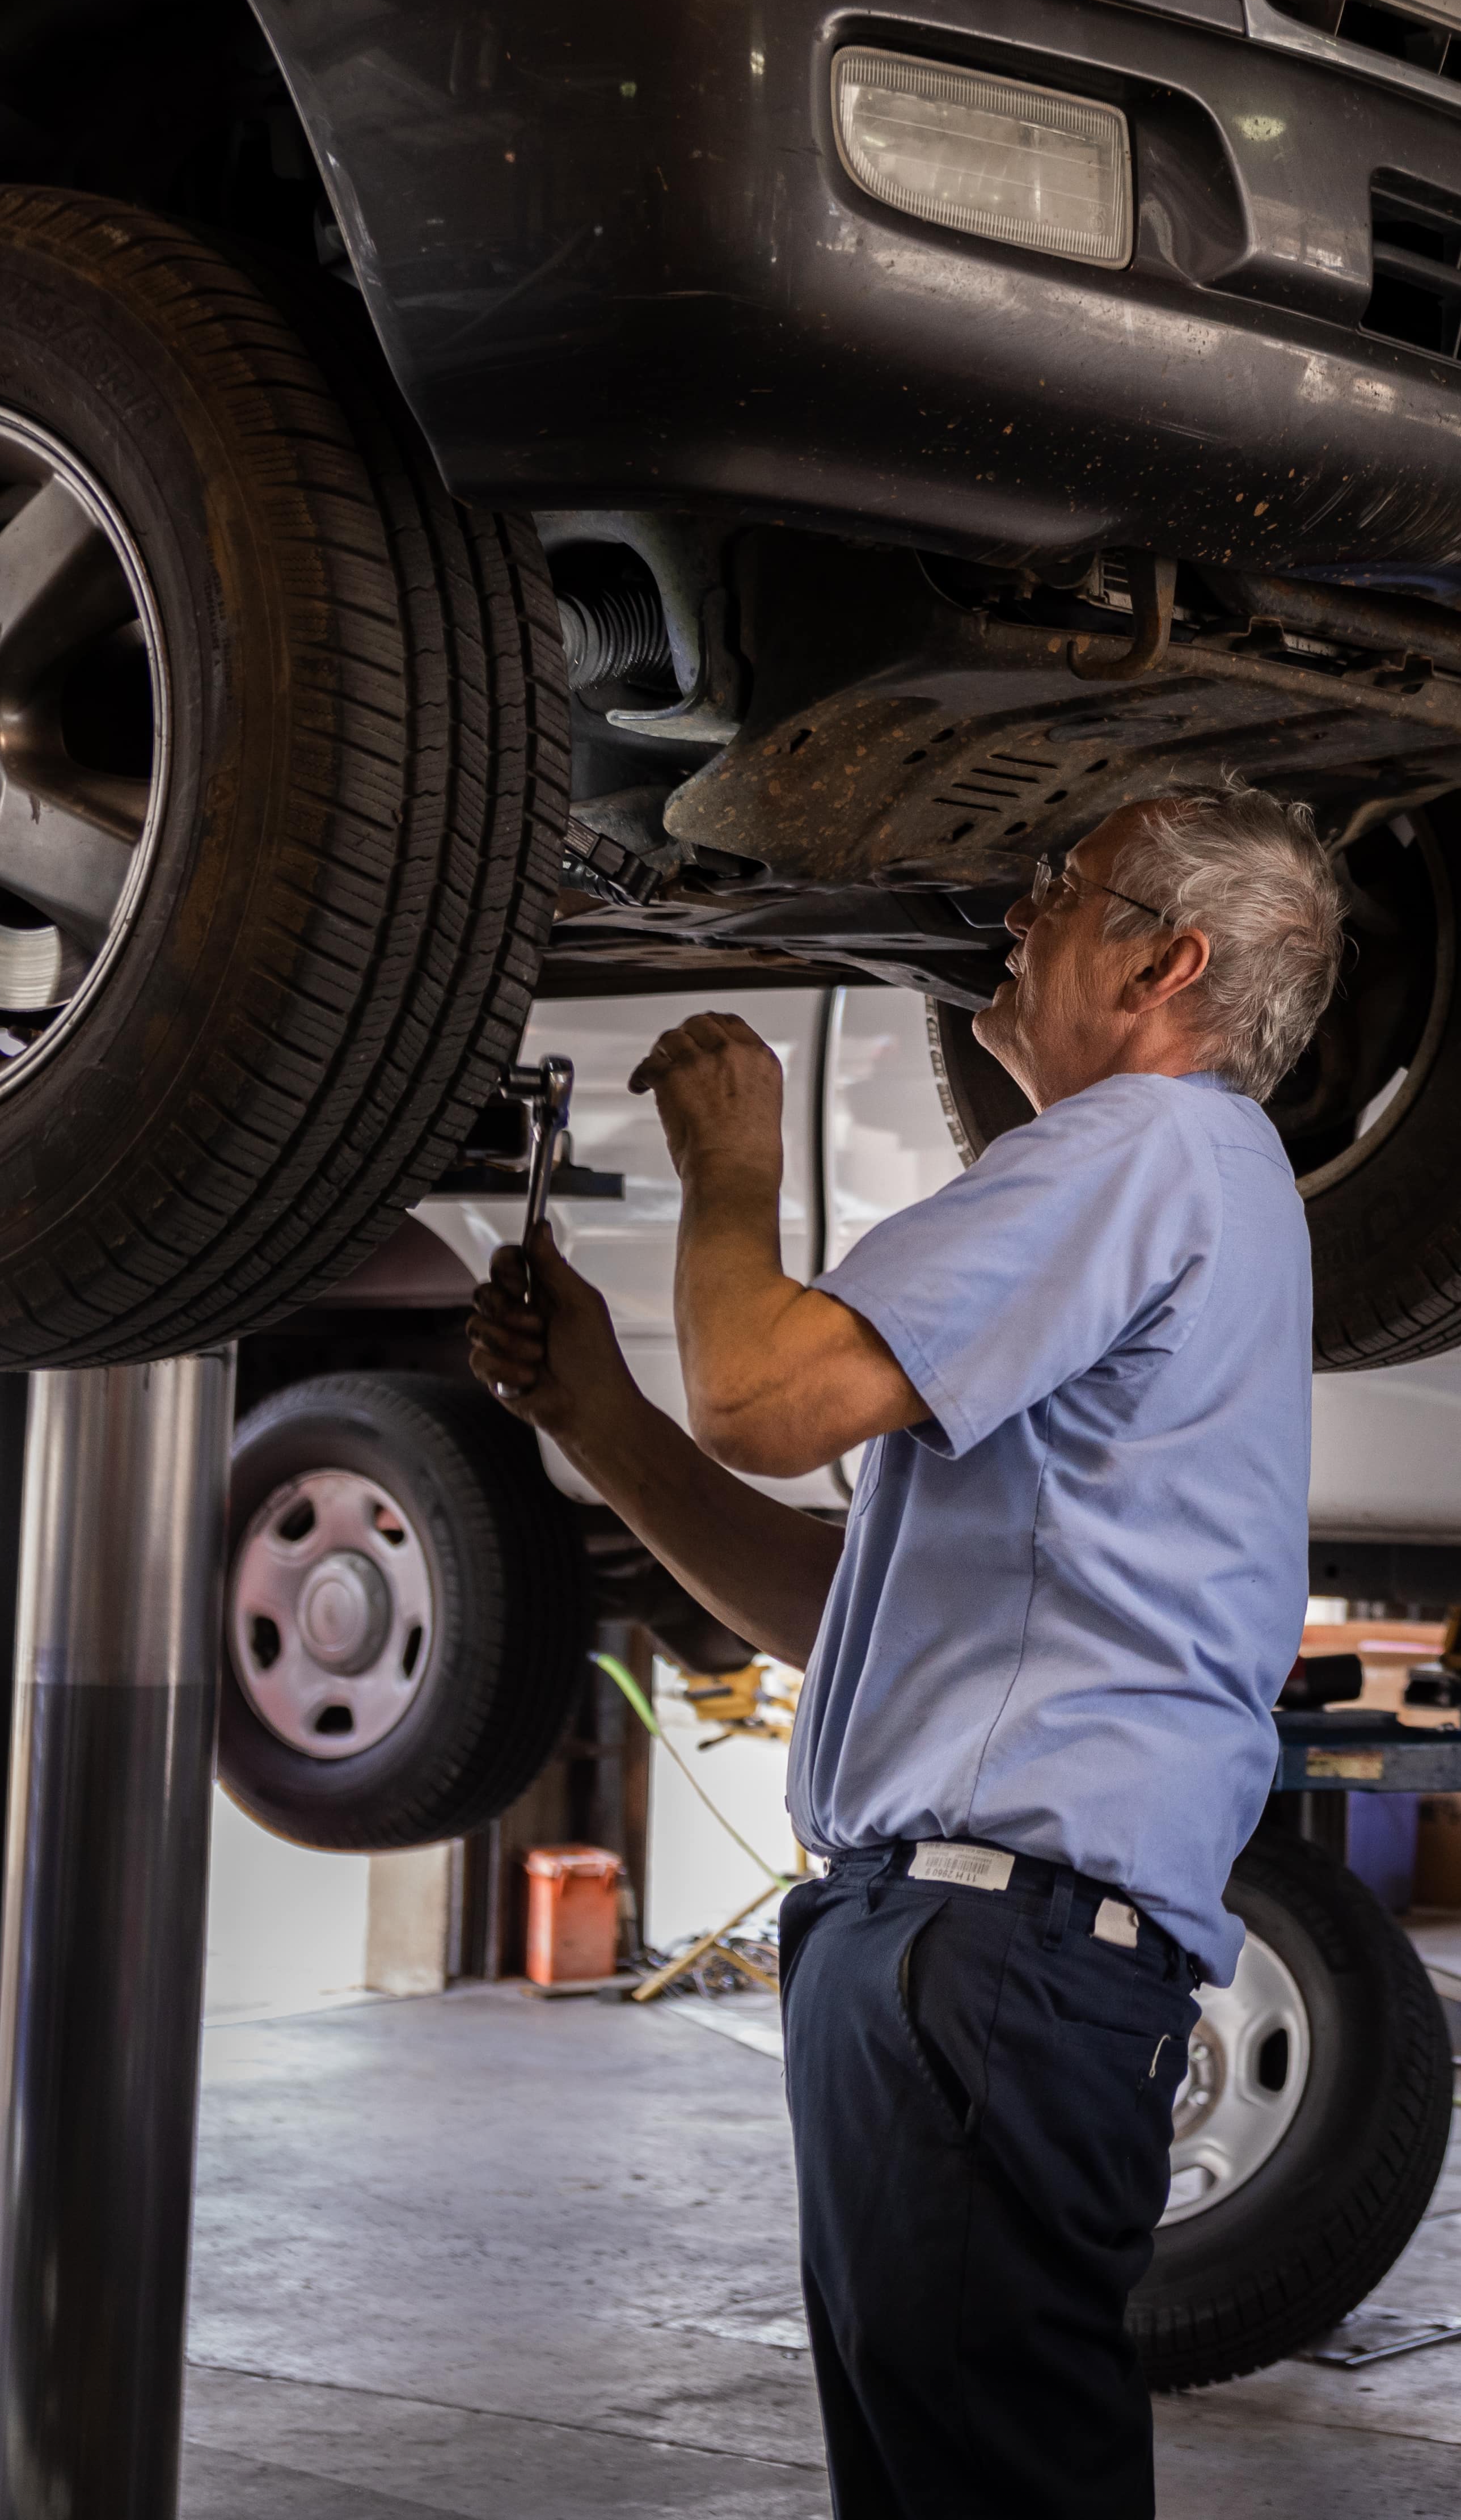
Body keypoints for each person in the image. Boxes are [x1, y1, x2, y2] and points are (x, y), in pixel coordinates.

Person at [467, 786, 1344, 2520]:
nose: (1015, 914)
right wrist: (599, 1411)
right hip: (971, 1947)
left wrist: (733, 1163)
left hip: (992, 1957)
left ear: (1164, 964)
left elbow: (766, 1395)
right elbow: (844, 1612)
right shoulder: (1181, 1191)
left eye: (1060, 889)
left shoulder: (1145, 1147)